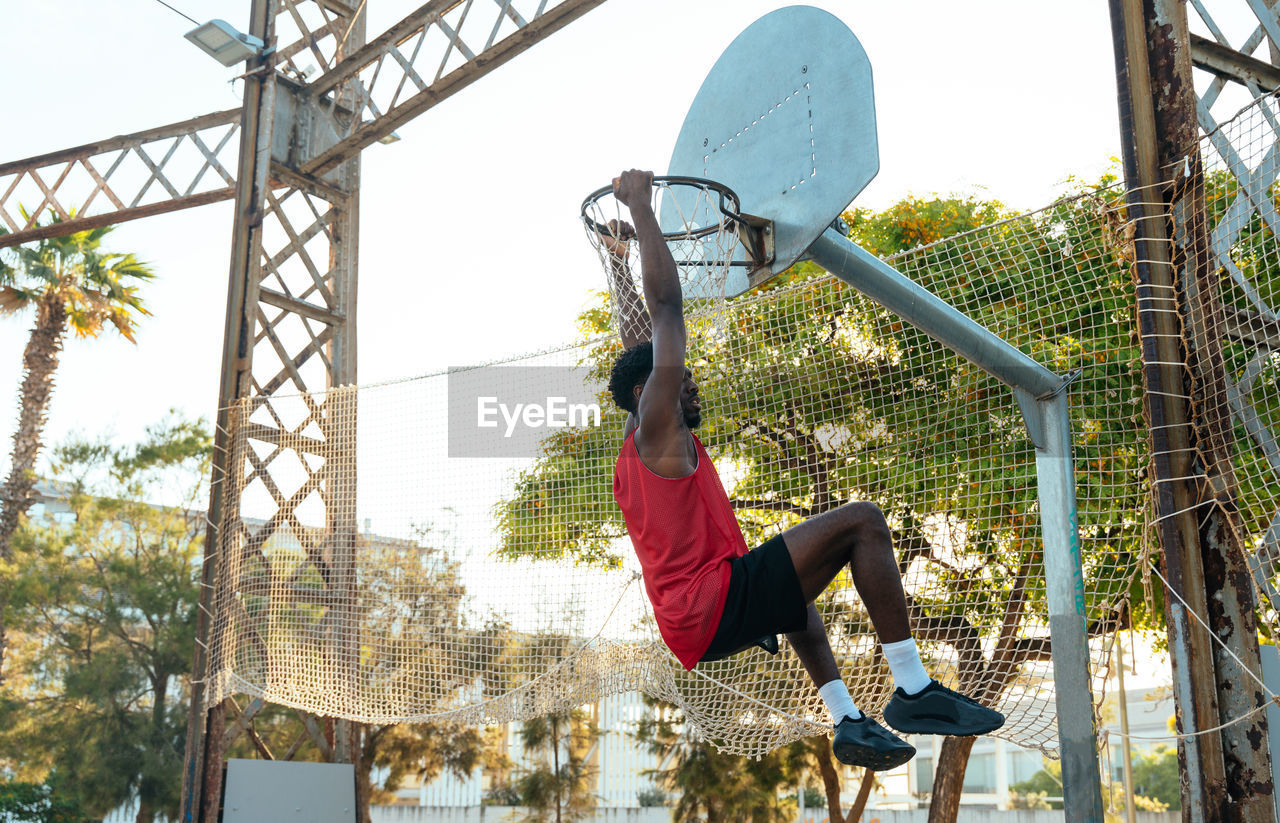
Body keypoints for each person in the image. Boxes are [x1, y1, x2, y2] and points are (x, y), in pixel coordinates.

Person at [602, 169, 1004, 771]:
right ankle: (914, 689)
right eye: (681, 379)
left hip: (692, 621)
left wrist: (618, 261)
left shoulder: (641, 441)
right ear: (649, 392)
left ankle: (847, 720)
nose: (692, 385)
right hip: (709, 604)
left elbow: (640, 341)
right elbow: (664, 311)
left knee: (795, 594)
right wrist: (640, 205)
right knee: (863, 523)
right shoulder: (660, 424)